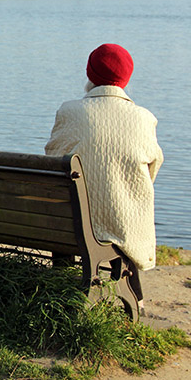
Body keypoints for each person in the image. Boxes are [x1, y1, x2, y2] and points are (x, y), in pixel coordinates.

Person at [45, 43, 164, 310]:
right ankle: (136, 300)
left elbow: (52, 159)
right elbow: (150, 173)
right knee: (125, 202)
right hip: (123, 225)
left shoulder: (69, 111)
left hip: (68, 225)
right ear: (127, 78)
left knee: (70, 200)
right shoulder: (144, 119)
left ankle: (60, 285)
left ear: (90, 74)